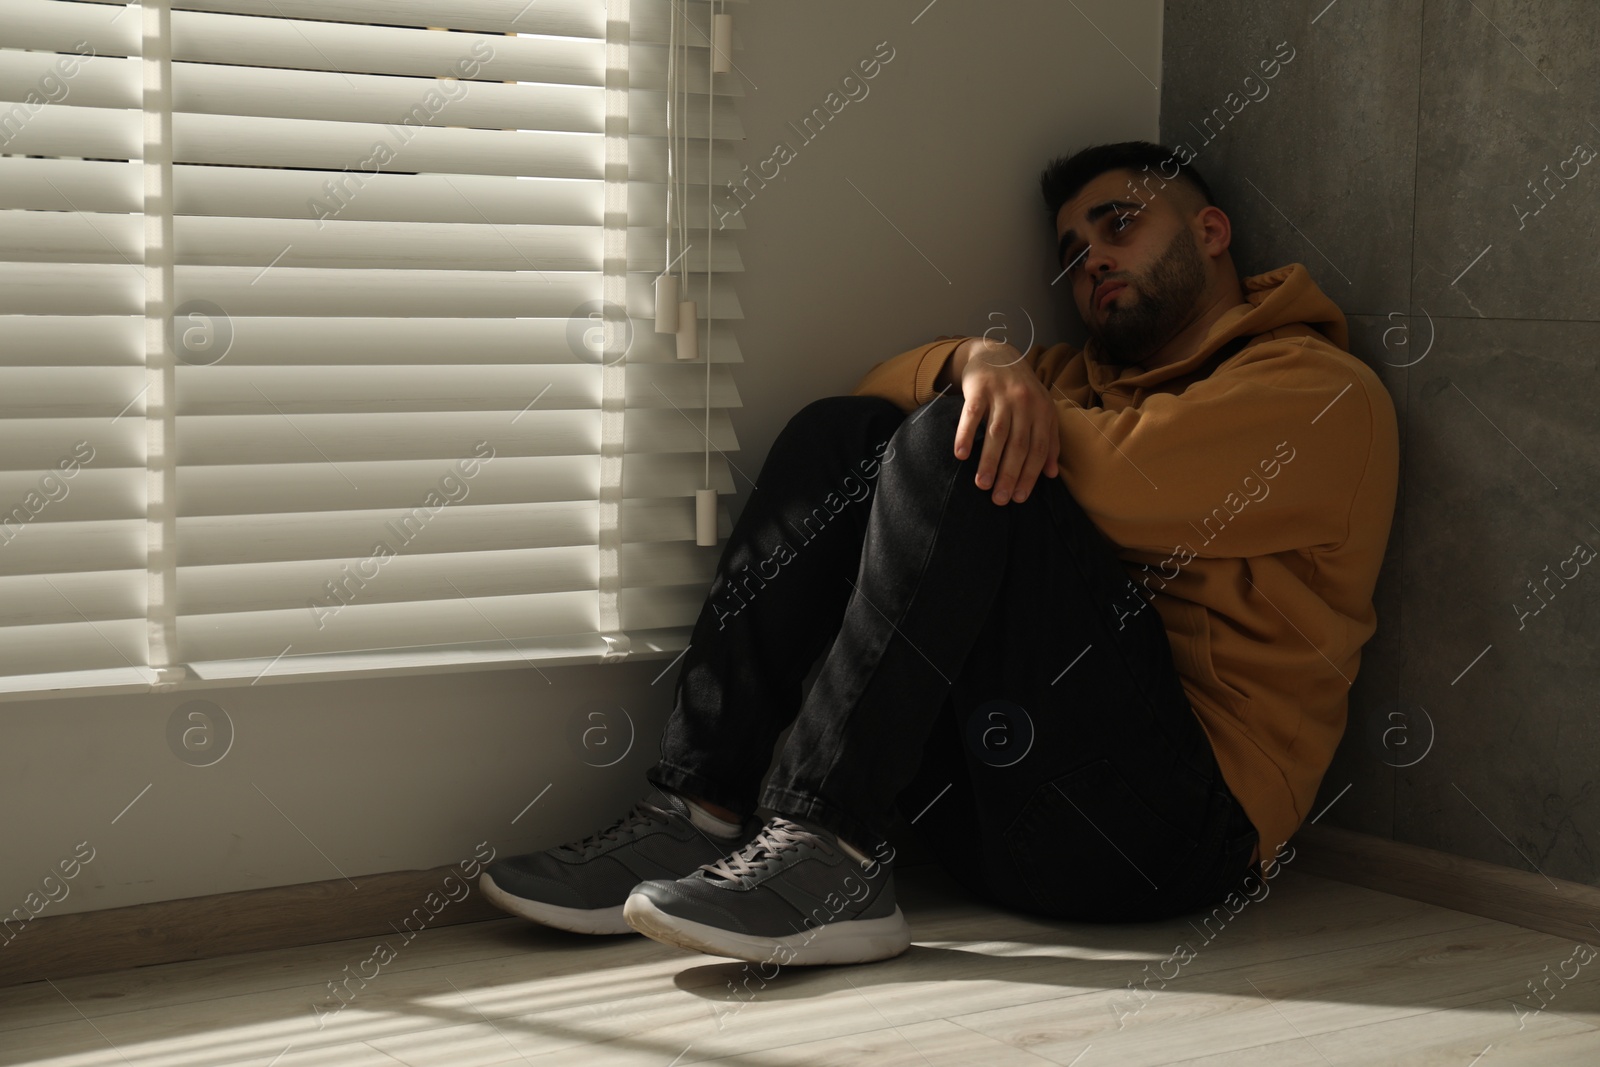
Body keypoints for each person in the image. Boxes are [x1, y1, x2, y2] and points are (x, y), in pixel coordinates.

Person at [481, 140, 1400, 968]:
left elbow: (1125, 489)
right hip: (1004, 812)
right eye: (1073, 252)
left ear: (1209, 230)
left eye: (1119, 222)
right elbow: (875, 393)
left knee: (960, 441)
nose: (1093, 260)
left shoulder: (1318, 394)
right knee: (841, 434)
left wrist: (979, 394)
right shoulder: (1074, 385)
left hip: (1167, 836)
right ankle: (703, 812)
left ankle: (825, 846)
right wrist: (982, 356)